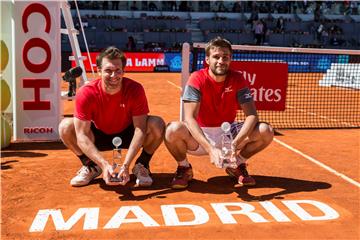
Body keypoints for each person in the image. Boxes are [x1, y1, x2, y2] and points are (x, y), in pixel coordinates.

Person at [165, 37, 274, 189]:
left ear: (230, 59)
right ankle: (184, 167)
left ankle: (238, 164)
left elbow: (252, 115)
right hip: (200, 135)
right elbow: (189, 119)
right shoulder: (197, 78)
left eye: (225, 57)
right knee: (172, 130)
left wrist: (235, 144)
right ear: (207, 59)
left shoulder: (237, 78)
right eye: (216, 57)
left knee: (266, 131)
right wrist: (210, 149)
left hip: (228, 133)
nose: (221, 61)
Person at [59, 46, 165, 187]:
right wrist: (104, 165)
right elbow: (82, 135)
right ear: (99, 71)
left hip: (127, 132)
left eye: (118, 71)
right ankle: (91, 166)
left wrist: (126, 165)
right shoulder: (86, 92)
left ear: (123, 71)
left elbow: (140, 129)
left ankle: (141, 165)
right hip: (98, 135)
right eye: (108, 70)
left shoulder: (135, 89)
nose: (114, 76)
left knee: (157, 123)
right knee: (66, 127)